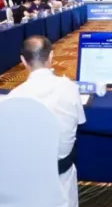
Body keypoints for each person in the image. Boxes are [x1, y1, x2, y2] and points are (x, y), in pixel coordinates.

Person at [5, 36, 85, 173]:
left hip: (24, 172)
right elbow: (80, 121)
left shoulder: (13, 96)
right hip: (63, 173)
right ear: (51, 56)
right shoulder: (70, 87)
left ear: (23, 60)